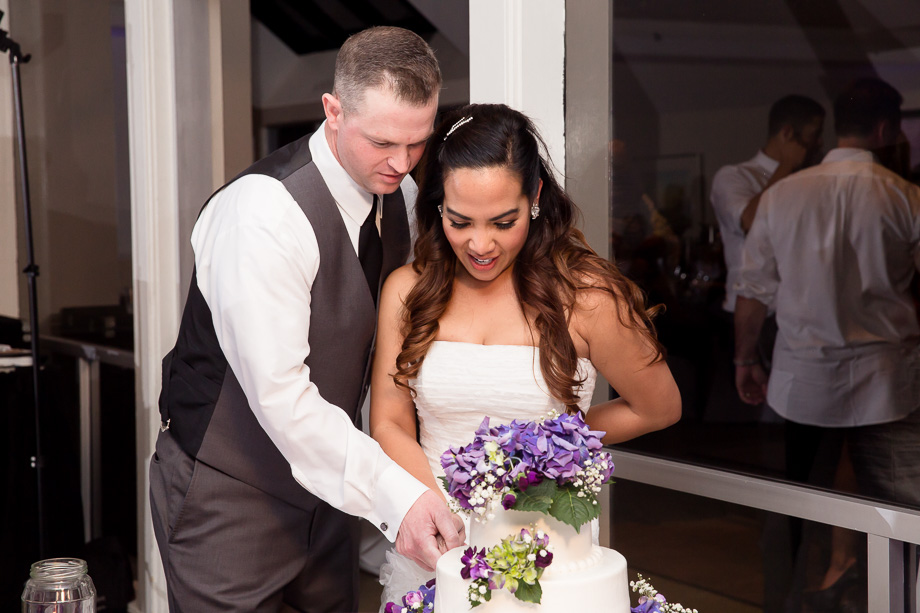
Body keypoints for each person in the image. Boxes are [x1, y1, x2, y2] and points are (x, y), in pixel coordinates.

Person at [149, 26, 463, 612]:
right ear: (333, 110)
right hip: (228, 497)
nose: (402, 163)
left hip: (328, 499)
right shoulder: (262, 214)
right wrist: (400, 497)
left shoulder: (400, 196)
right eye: (383, 142)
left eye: (417, 143)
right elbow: (281, 397)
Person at [369, 103, 682, 607]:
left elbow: (659, 407)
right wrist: (438, 511)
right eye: (459, 220)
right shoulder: (408, 291)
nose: (481, 244)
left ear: (534, 196)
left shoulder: (589, 296)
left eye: (502, 221)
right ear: (438, 206)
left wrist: (557, 446)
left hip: (547, 550)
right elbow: (389, 421)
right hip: (434, 541)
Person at [734, 77, 920, 609]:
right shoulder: (906, 197)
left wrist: (745, 359)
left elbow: (752, 294)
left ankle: (789, 598)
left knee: (799, 503)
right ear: (886, 128)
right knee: (898, 513)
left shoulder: (782, 196)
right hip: (889, 380)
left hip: (804, 380)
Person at [710, 95, 825, 316]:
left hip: (795, 312)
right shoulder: (734, 176)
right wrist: (788, 164)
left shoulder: (808, 181)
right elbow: (749, 221)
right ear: (787, 134)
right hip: (747, 313)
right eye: (814, 135)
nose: (819, 143)